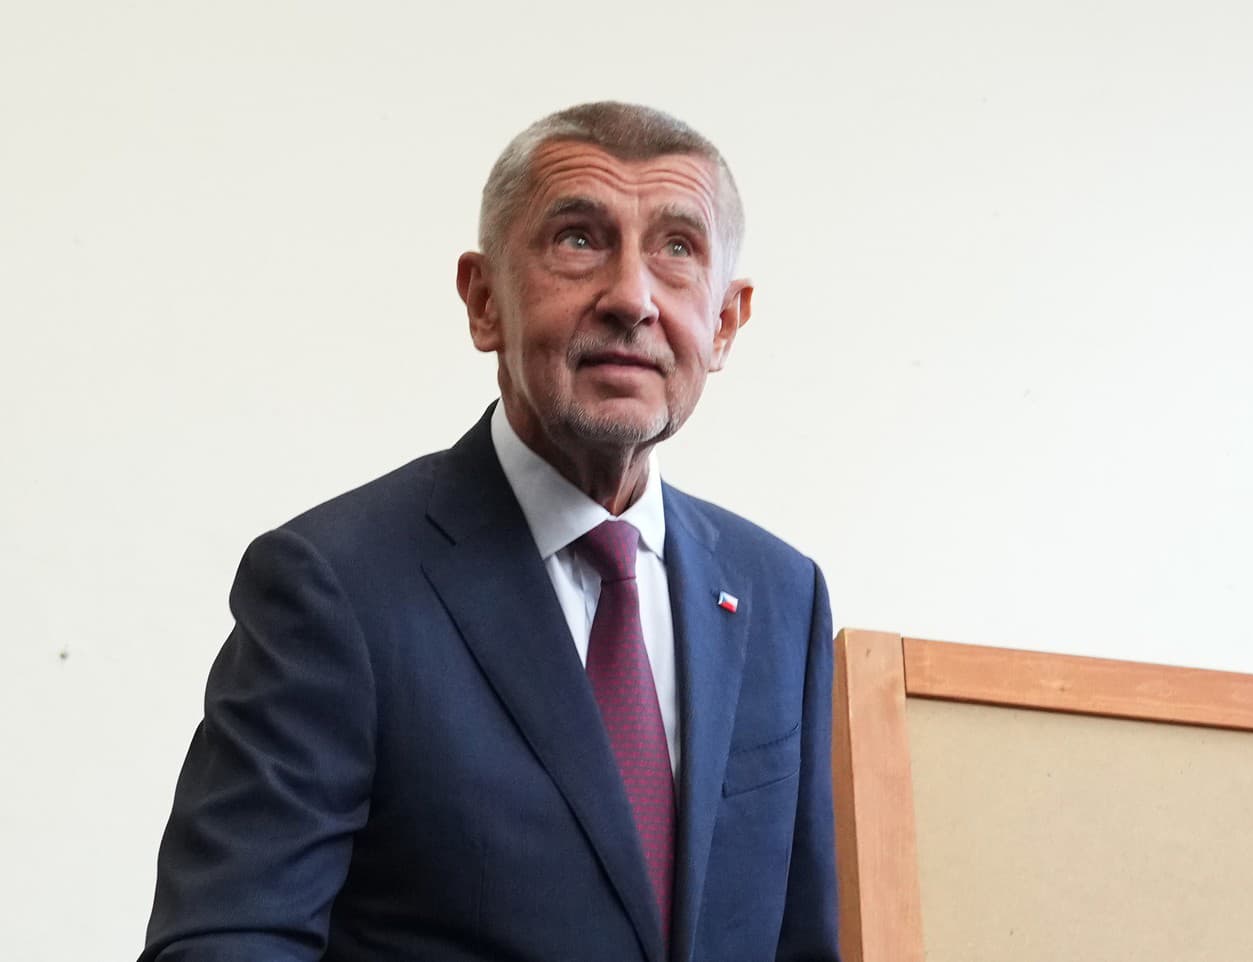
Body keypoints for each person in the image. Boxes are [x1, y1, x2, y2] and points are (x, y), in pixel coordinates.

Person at [140, 101, 840, 962]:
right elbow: (225, 942)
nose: (632, 297)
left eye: (677, 249)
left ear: (725, 323)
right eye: (579, 240)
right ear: (483, 302)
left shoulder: (781, 596)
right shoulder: (334, 587)